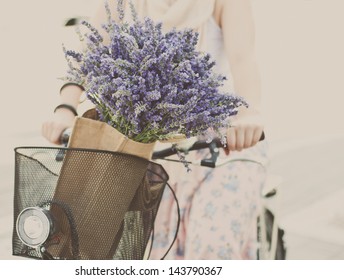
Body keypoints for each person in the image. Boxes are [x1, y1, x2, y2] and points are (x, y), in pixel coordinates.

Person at [42, 0, 267, 260]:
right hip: (145, 151)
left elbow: (244, 59)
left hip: (217, 147)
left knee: (212, 247)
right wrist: (65, 110)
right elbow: (87, 54)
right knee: (120, 249)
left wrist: (248, 115)